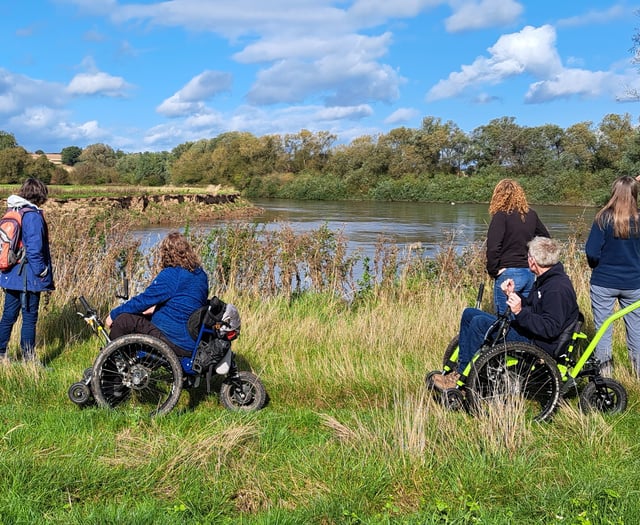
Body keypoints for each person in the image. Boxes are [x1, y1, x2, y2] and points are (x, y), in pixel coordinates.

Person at [433, 236, 579, 390]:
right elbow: (532, 306)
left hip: (537, 343)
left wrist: (519, 312)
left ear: (533, 261)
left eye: (528, 256)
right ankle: (459, 369)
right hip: (528, 331)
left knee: (479, 324)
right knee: (469, 314)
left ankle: (462, 378)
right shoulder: (545, 279)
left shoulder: (557, 289)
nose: (527, 259)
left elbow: (550, 329)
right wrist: (512, 294)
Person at [106, 231, 208, 356]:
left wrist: (113, 314)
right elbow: (183, 302)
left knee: (124, 320)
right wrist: (155, 310)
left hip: (175, 341)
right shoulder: (200, 274)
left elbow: (143, 300)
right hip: (191, 339)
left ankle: (111, 371)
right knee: (141, 316)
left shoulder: (172, 274)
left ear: (166, 254)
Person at [585, 176, 640, 377]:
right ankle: (638, 375)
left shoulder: (602, 218)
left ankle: (605, 377)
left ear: (614, 192)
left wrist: (596, 265)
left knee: (603, 332)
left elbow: (592, 251)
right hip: (634, 283)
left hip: (604, 282)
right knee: (636, 331)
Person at [0, 178, 54, 362]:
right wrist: (42, 272)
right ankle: (29, 360)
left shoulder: (14, 211)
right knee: (29, 318)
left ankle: (1, 354)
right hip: (28, 276)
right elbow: (34, 249)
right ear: (40, 194)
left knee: (8, 316)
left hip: (11, 273)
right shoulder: (32, 215)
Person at [486, 179, 550, 315]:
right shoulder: (531, 215)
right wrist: (535, 262)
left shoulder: (501, 216)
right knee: (524, 317)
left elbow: (493, 247)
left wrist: (493, 270)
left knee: (503, 319)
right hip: (528, 273)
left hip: (508, 273)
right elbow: (546, 239)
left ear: (498, 195)